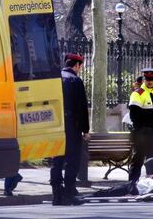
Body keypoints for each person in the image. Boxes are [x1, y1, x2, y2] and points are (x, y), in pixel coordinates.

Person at [50, 53, 90, 206]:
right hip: (71, 125)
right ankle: (69, 192)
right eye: (80, 67)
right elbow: (82, 108)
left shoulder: (54, 79)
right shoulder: (75, 80)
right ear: (77, 65)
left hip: (55, 123)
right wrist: (85, 130)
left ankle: (56, 194)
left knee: (57, 160)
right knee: (72, 160)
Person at [128, 68, 153, 183]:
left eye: (152, 79)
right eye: (147, 79)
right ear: (144, 79)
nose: (150, 81)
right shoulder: (137, 94)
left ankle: (152, 184)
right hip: (142, 133)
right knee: (138, 159)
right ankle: (132, 184)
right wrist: (143, 129)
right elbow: (134, 115)